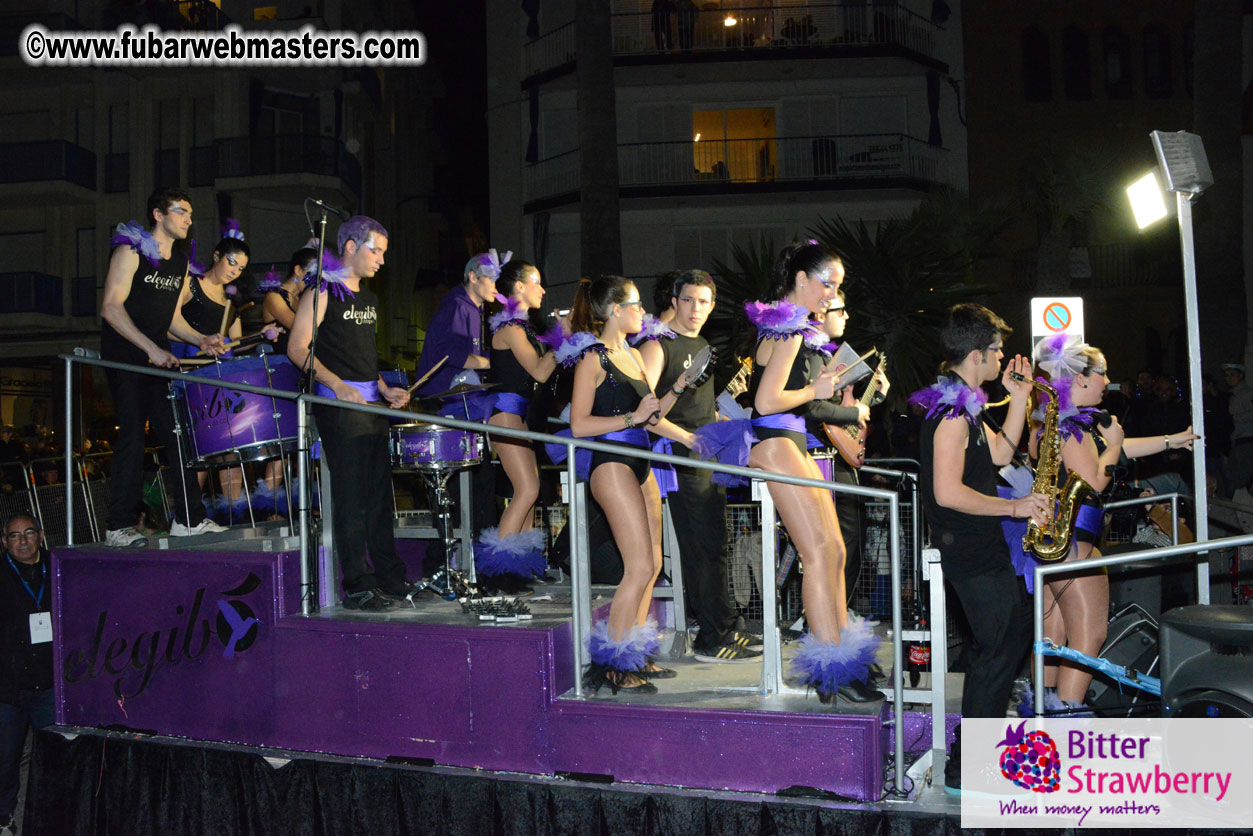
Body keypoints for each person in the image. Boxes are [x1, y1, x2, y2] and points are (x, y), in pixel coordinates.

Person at [696, 242, 879, 704]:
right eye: (827, 284)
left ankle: (844, 656)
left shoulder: (790, 327)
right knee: (818, 553)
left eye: (837, 287)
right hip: (776, 441)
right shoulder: (789, 329)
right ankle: (831, 669)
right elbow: (766, 401)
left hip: (791, 440)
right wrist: (816, 390)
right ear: (801, 279)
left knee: (834, 549)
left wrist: (822, 388)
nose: (831, 294)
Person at [909, 303, 1050, 795]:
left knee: (1001, 648)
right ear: (976, 355)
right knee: (996, 653)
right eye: (997, 350)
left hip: (982, 546)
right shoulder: (951, 414)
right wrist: (1016, 508)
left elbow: (1002, 453)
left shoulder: (963, 404)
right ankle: (968, 767)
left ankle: (975, 759)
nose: (1002, 358)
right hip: (969, 550)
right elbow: (947, 492)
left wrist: (1020, 398)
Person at [1015, 335, 1197, 715]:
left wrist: (1170, 441)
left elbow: (1113, 449)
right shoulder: (1070, 426)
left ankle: (1042, 718)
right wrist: (1114, 443)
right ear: (1081, 378)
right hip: (1076, 543)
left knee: (1052, 637)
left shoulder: (1056, 421)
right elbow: (1095, 479)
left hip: (1055, 542)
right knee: (1088, 636)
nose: (1108, 381)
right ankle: (1065, 720)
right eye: (1103, 373)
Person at [566, 276, 698, 694]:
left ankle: (634, 655)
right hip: (611, 463)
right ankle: (612, 664)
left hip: (642, 462)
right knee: (638, 566)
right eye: (636, 304)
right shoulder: (593, 359)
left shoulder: (635, 355)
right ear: (613, 311)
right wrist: (631, 418)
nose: (643, 312)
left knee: (653, 565)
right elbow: (578, 425)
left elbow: (652, 416)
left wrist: (688, 423)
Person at [287, 216, 418, 612]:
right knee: (351, 497)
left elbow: (361, 356)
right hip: (338, 405)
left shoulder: (370, 300)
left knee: (379, 496)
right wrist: (338, 384)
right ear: (349, 246)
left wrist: (384, 388)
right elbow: (297, 348)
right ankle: (358, 585)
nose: (381, 260)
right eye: (375, 251)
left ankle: (390, 577)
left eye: (383, 253)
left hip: (369, 405)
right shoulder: (321, 291)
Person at [639, 270, 759, 664]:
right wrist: (689, 439)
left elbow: (699, 409)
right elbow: (646, 414)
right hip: (680, 459)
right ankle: (711, 637)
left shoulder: (703, 344)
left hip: (706, 455)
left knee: (714, 545)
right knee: (700, 548)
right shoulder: (657, 346)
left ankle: (724, 625)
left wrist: (722, 426)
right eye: (689, 300)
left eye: (704, 302)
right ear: (674, 301)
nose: (696, 309)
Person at [99, 187, 228, 547]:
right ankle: (118, 526)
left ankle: (188, 519)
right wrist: (150, 348)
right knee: (132, 437)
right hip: (125, 357)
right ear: (158, 214)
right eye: (180, 211)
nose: (188, 218)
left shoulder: (180, 262)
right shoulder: (130, 251)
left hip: (158, 360)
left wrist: (202, 339)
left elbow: (172, 319)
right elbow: (110, 307)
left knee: (178, 435)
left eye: (190, 212)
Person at [475, 260, 558, 593]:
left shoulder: (521, 327)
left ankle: (517, 566)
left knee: (531, 491)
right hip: (505, 414)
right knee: (526, 490)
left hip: (518, 416)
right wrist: (561, 340)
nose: (543, 290)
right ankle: (497, 572)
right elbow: (539, 371)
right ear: (519, 287)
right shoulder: (510, 328)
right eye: (536, 282)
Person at [804, 288, 889, 610]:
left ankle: (839, 610)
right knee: (835, 541)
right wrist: (853, 414)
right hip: (816, 456)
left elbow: (842, 413)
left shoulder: (828, 356)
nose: (847, 316)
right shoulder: (809, 354)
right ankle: (825, 613)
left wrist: (875, 397)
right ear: (820, 313)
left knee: (849, 542)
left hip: (837, 455)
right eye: (840, 310)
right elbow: (814, 409)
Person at [171, 221, 251, 521]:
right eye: (232, 262)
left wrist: (255, 338)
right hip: (191, 377)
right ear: (216, 256)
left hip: (221, 379)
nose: (235, 271)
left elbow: (235, 345)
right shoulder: (190, 284)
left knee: (231, 447)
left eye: (241, 268)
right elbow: (167, 324)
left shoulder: (231, 300)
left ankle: (235, 517)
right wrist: (199, 342)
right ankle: (188, 517)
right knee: (200, 448)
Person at [0, 515, 53, 836]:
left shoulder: (56, 567)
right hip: (9, 689)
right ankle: (3, 818)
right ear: (4, 541)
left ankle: (52, 816)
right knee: (5, 760)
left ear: (40, 535)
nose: (22, 541)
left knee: (54, 757)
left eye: (29, 533)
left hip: (49, 685)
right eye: (14, 535)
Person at [1225, 363, 1253, 495]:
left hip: (1247, 439)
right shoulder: (1233, 396)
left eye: (1232, 375)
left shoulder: (1248, 394)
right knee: (1237, 479)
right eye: (1226, 376)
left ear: (1240, 376)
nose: (1228, 378)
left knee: (1245, 478)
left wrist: (1235, 418)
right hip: (1236, 441)